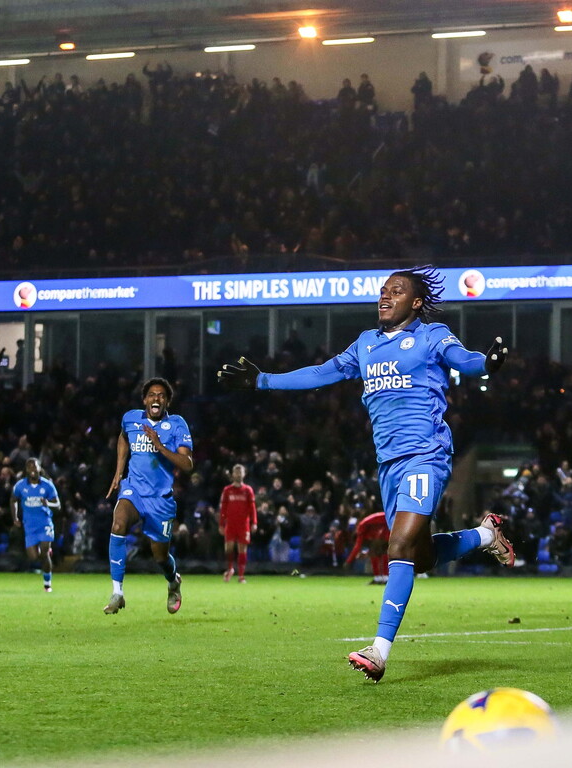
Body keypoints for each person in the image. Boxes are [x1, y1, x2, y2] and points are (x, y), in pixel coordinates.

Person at [219, 265, 514, 683]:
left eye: (396, 291)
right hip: (389, 464)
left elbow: (463, 360)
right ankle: (486, 535)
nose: (385, 296)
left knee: (397, 547)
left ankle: (379, 650)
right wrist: (264, 380)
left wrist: (487, 362)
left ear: (415, 302)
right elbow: (321, 373)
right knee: (418, 556)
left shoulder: (432, 335)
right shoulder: (366, 344)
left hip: (425, 455)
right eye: (382, 290)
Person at [104, 377, 194, 615]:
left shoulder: (176, 425)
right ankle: (117, 593)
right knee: (118, 522)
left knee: (160, 556)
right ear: (145, 400)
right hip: (134, 490)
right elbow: (123, 437)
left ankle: (173, 581)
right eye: (152, 395)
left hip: (160, 499)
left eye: (162, 395)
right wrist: (119, 471)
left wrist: (160, 446)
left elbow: (187, 464)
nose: (156, 398)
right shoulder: (131, 418)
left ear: (167, 402)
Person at [11, 457, 61, 592]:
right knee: (33, 556)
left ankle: (47, 584)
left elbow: (58, 505)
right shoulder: (21, 485)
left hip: (44, 523)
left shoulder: (47, 485)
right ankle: (46, 555)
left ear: (39, 468)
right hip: (29, 526)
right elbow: (13, 500)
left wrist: (48, 503)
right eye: (29, 467)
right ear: (26, 470)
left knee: (44, 552)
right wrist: (15, 516)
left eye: (34, 466)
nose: (32, 469)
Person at [218, 463, 257, 583]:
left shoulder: (248, 490)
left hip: (243, 524)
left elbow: (252, 508)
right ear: (233, 474)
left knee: (242, 549)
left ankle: (241, 575)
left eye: (241, 472)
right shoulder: (227, 490)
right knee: (228, 548)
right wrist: (221, 523)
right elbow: (223, 508)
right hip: (230, 523)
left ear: (244, 474)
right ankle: (230, 569)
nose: (238, 474)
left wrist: (254, 522)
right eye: (236, 472)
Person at [345, 511, 391, 584]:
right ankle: (381, 578)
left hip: (390, 524)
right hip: (388, 526)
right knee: (379, 552)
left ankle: (382, 578)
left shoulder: (361, 527)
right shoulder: (366, 529)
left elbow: (357, 546)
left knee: (379, 552)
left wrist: (348, 561)